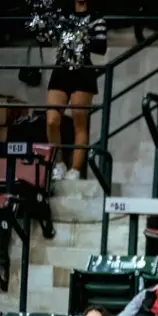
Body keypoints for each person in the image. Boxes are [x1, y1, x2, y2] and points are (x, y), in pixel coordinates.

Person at [46, 0, 106, 182]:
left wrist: (81, 37)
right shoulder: (63, 16)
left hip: (83, 71)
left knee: (79, 121)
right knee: (52, 120)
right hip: (62, 69)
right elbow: (50, 35)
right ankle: (58, 163)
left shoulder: (96, 19)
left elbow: (101, 47)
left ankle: (75, 169)